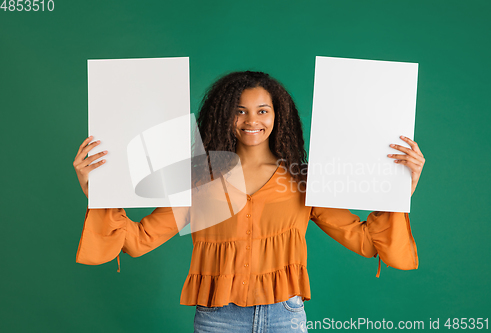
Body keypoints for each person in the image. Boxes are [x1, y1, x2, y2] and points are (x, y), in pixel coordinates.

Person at [73, 71, 425, 332]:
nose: (251, 120)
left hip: (285, 317)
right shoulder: (199, 178)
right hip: (218, 319)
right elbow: (137, 240)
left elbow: (364, 240)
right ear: (224, 115)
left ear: (278, 114)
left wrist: (399, 189)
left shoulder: (303, 179)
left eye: (262, 110)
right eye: (240, 111)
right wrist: (99, 190)